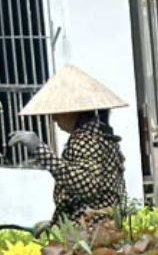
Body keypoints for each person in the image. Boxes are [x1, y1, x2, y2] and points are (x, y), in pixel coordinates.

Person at [9, 66, 129, 234]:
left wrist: (40, 150)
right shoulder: (99, 135)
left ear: (74, 111)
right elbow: (82, 197)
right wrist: (55, 223)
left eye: (58, 111)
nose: (54, 118)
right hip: (98, 229)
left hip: (93, 234)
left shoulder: (87, 140)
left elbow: (86, 185)